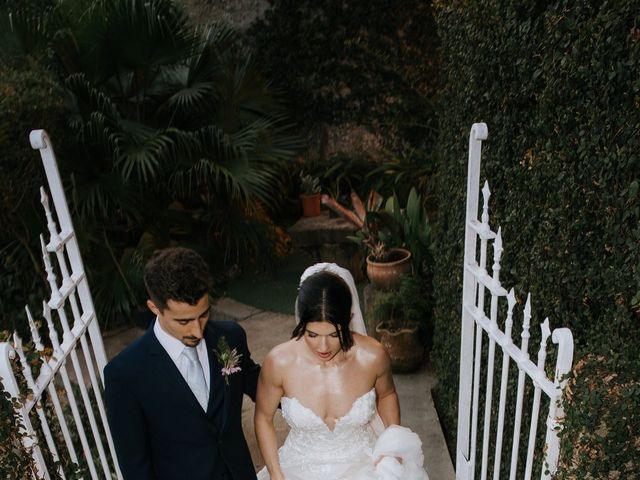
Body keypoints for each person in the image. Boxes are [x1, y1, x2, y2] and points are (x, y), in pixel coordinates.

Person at [254, 263, 429, 480]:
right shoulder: (278, 362)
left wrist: (391, 449)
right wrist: (275, 472)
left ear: (348, 320)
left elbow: (387, 395)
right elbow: (263, 417)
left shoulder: (372, 356)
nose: (323, 347)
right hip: (297, 469)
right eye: (312, 335)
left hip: (364, 466)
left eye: (334, 335)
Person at [104, 247, 260, 480]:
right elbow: (135, 467)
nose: (197, 331)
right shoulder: (125, 374)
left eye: (204, 315)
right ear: (154, 308)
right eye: (184, 321)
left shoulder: (230, 337)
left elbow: (263, 386)